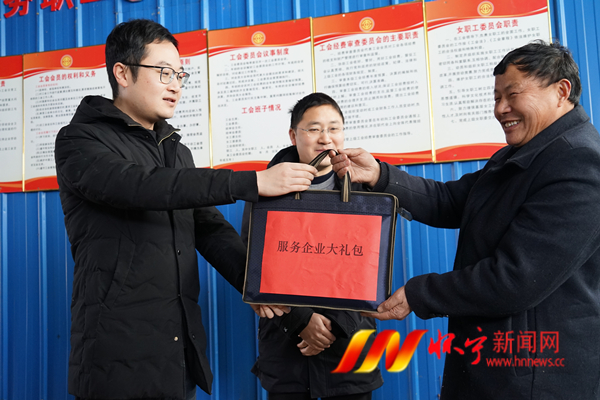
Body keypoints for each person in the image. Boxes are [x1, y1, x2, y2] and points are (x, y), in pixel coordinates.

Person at [54, 19, 317, 400]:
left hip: (177, 350)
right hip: (115, 354)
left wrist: (273, 296)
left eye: (180, 75)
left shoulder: (177, 152)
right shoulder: (79, 139)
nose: (176, 85)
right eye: (164, 72)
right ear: (122, 73)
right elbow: (139, 185)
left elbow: (210, 230)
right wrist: (251, 182)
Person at [330, 40, 600, 399]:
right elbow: (449, 200)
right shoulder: (519, 156)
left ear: (561, 92)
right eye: (496, 97)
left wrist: (419, 293)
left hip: (535, 376)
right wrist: (379, 175)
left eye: (513, 94)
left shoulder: (578, 163)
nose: (501, 109)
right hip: (496, 365)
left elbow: (515, 279)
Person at [241, 93, 383, 400]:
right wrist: (301, 320)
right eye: (314, 129)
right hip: (287, 350)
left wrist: (335, 325)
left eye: (334, 128)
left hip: (349, 348)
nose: (325, 138)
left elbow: (371, 267)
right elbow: (253, 266)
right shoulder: (267, 188)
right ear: (294, 136)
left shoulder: (363, 190)